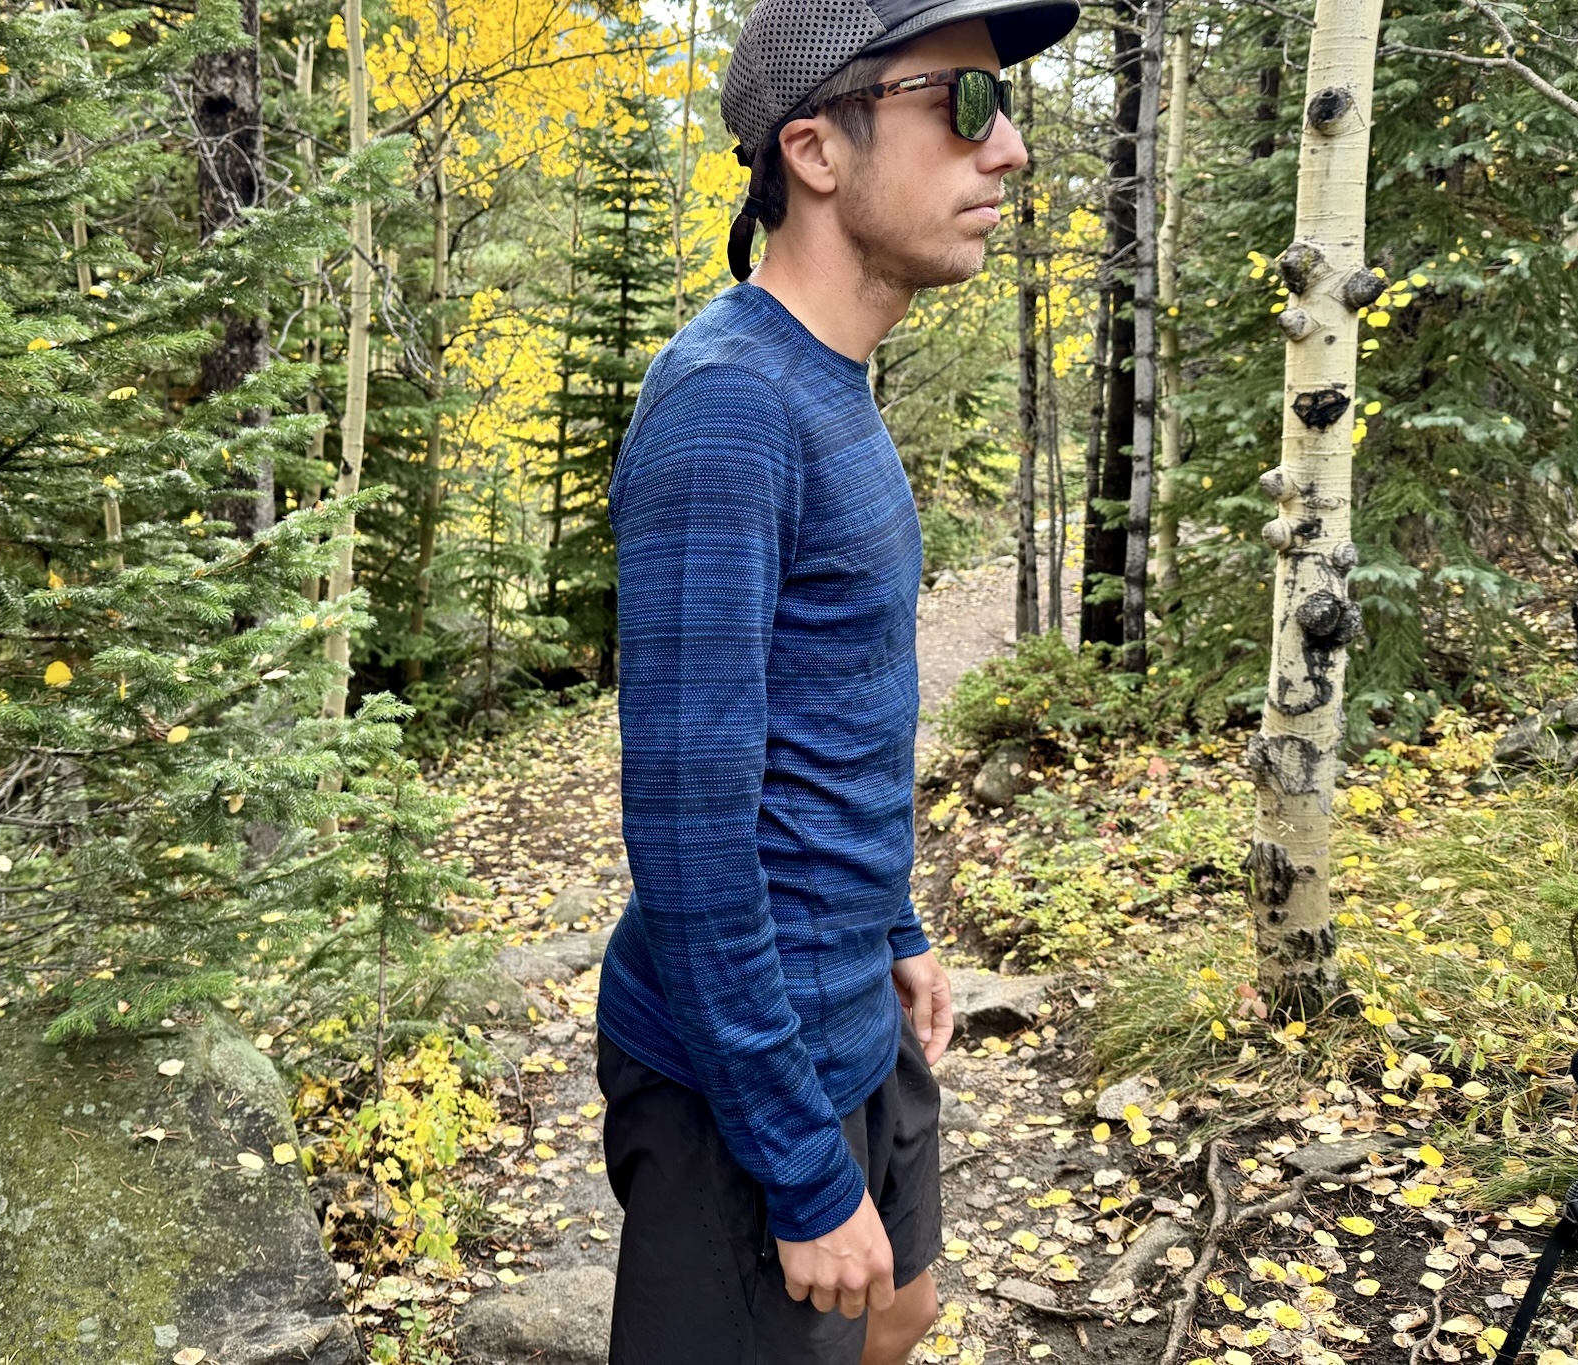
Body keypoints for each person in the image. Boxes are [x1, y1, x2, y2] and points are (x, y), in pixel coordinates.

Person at [592, 0, 1079, 1360]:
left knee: (899, 1308)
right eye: (965, 106)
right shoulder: (726, 406)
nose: (1010, 151)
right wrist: (802, 1168)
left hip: (849, 1001)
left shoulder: (833, 380)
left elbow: (826, 711)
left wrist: (895, 923)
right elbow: (688, 835)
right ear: (814, 148)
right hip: (737, 1075)